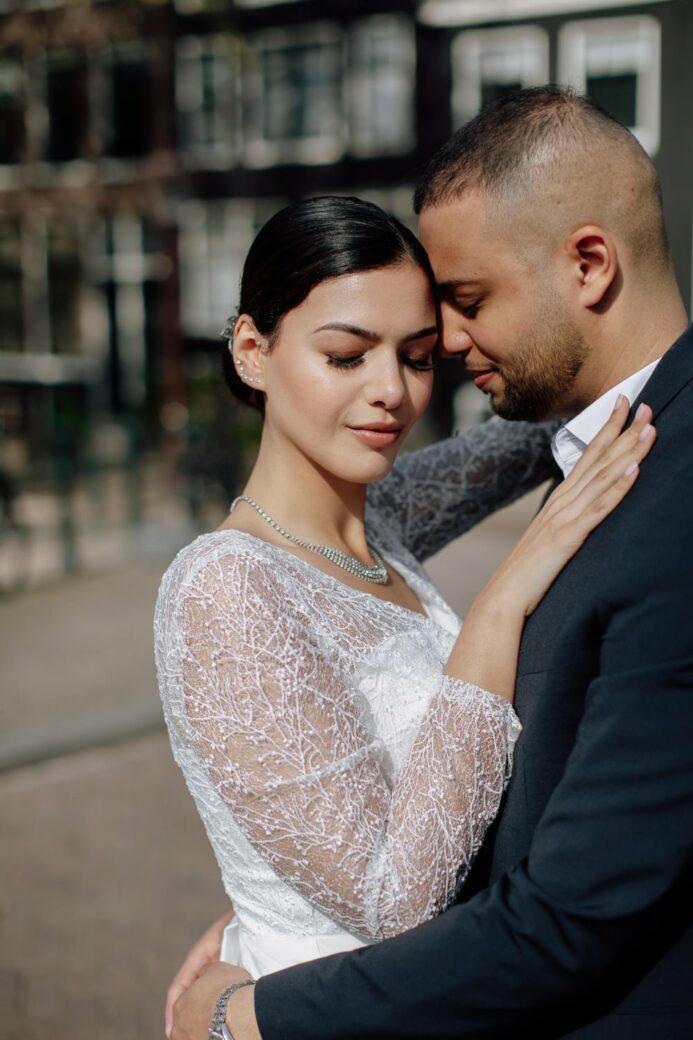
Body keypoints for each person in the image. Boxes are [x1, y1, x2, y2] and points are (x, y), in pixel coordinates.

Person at [162, 176, 660, 1040]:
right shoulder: (227, 590)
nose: (391, 390)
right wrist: (501, 602)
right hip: (330, 1015)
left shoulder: (383, 516)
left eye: (418, 354)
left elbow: (531, 423)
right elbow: (396, 901)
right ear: (251, 349)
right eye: (346, 355)